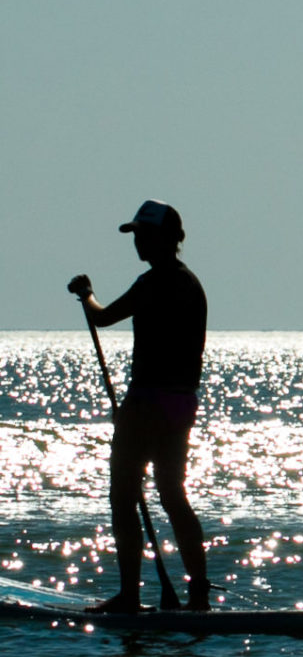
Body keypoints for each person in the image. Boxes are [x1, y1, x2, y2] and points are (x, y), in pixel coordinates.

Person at [68, 200, 210, 613]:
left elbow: (104, 317)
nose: (139, 243)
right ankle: (198, 594)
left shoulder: (153, 283)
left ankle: (130, 595)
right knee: (172, 495)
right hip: (181, 405)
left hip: (147, 403)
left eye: (145, 235)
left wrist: (86, 294)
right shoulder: (193, 284)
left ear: (168, 238)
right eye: (136, 236)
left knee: (123, 496)